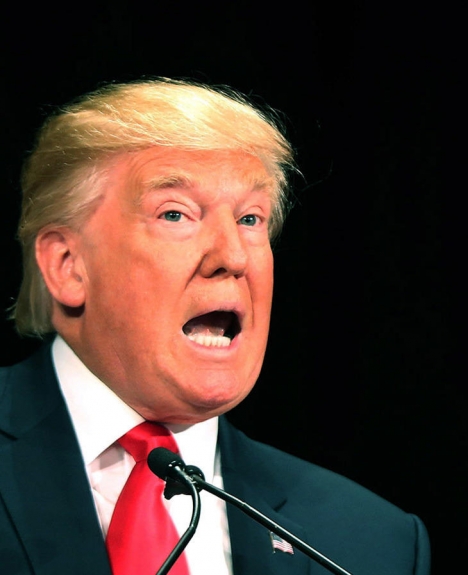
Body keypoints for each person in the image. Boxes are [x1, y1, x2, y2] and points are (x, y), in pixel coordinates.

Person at [0, 78, 431, 575]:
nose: (231, 256)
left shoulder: (369, 542)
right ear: (68, 265)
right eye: (176, 214)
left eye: (251, 219)